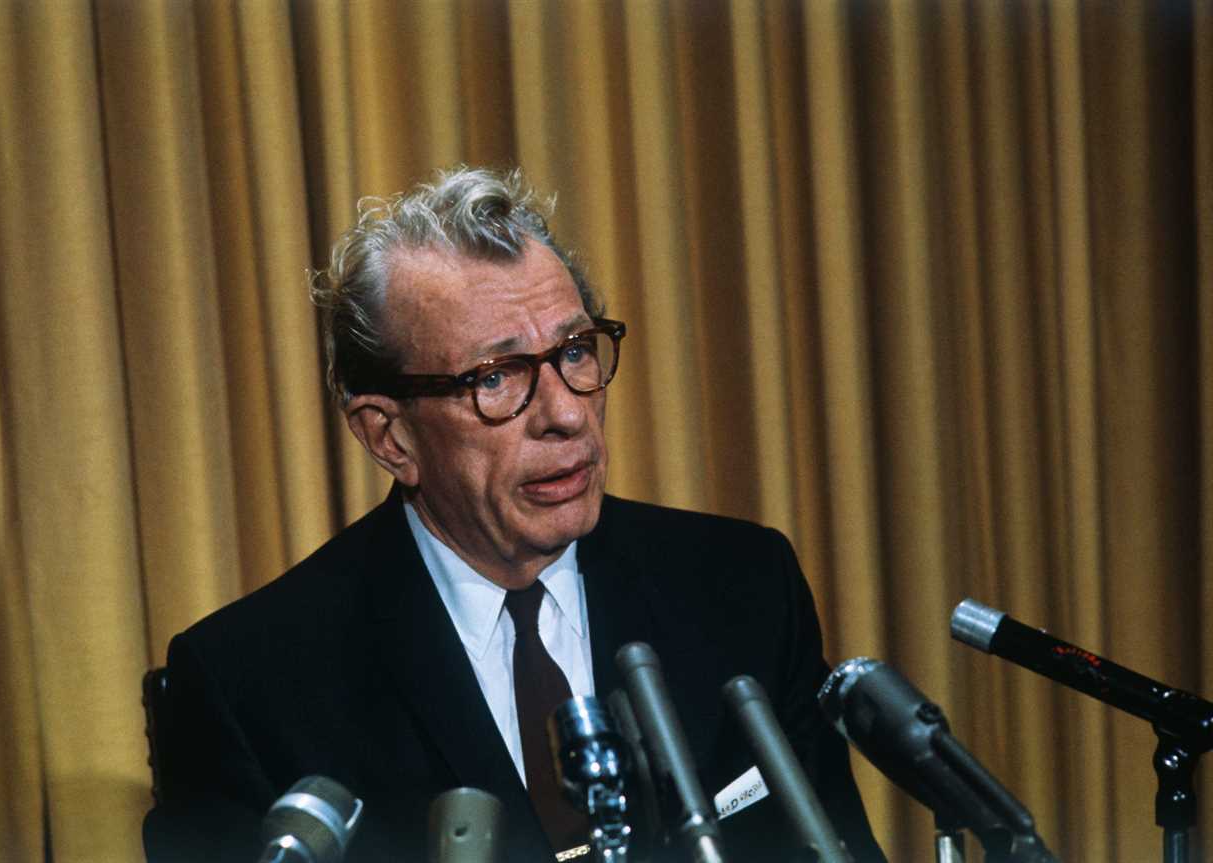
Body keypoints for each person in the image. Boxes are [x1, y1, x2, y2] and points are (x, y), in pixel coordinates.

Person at [142, 166, 884, 863]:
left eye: (576, 351)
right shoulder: (250, 687)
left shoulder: (743, 589)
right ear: (389, 436)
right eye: (496, 377)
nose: (566, 414)